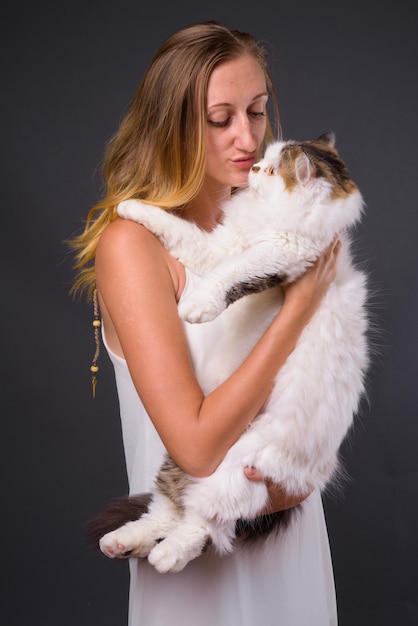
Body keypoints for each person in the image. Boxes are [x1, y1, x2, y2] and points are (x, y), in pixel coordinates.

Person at [71, 21, 340, 626]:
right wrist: (298, 308)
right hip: (195, 578)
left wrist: (304, 472)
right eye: (220, 119)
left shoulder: (273, 233)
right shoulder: (132, 246)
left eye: (258, 111)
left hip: (285, 548)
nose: (246, 137)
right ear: (173, 125)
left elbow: (309, 404)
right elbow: (194, 446)